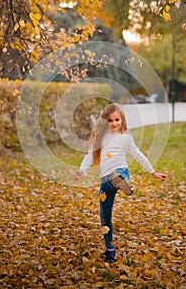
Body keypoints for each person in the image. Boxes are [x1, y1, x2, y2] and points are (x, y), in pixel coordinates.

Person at [74, 103, 167, 263]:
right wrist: (81, 170)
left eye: (117, 119)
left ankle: (122, 182)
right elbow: (90, 155)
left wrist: (153, 172)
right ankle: (110, 250)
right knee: (104, 216)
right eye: (110, 121)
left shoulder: (125, 138)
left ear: (122, 119)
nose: (114, 123)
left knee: (118, 176)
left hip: (120, 171)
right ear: (105, 122)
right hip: (105, 181)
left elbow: (138, 154)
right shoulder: (101, 138)